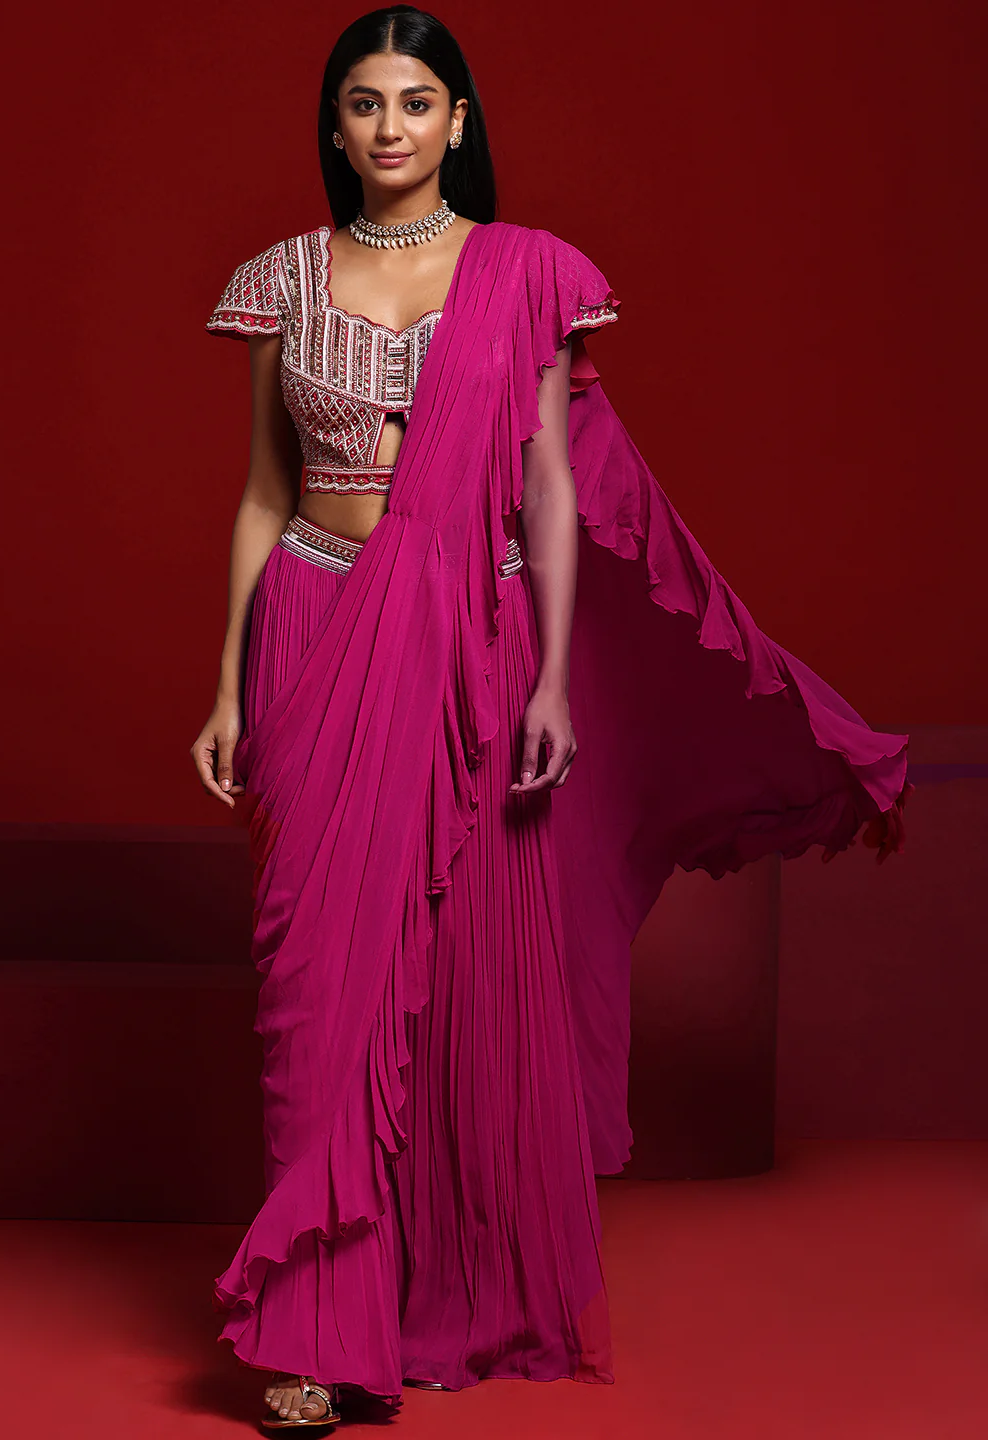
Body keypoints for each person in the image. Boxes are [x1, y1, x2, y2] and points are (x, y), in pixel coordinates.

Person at [191, 6, 911, 1429]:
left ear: (458, 120)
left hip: (476, 636)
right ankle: (313, 1331)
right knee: (314, 983)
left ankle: (423, 1310)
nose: (390, 126)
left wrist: (553, 681)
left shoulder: (530, 275)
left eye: (417, 101)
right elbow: (265, 493)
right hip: (315, 624)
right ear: (333, 125)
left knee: (459, 975)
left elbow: (552, 490)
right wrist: (225, 683)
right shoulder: (280, 280)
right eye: (363, 102)